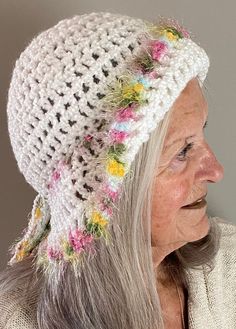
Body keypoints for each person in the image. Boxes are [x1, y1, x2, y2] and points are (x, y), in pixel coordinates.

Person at [0, 11, 235, 329]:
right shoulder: (15, 320)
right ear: (101, 194)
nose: (216, 170)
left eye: (201, 135)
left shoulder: (229, 263)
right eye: (182, 151)